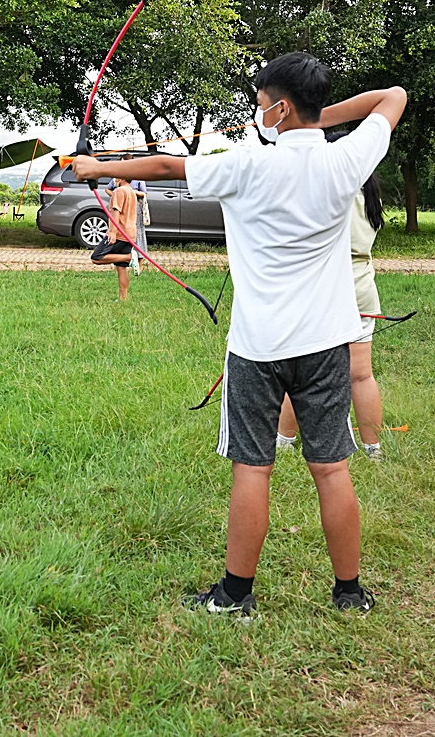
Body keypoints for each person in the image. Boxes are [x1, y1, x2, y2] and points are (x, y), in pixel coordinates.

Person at [74, 52, 406, 618]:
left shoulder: (249, 164)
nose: (257, 112)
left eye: (261, 102)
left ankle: (234, 595)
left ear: (279, 106)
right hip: (327, 343)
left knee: (253, 469)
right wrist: (317, 120)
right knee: (331, 468)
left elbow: (165, 169)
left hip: (258, 348)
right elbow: (392, 96)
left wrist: (94, 169)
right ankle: (349, 593)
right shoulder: (346, 159)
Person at [278, 163, 387, 460]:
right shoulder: (370, 194)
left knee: (297, 372)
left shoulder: (329, 193)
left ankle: (284, 442)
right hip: (362, 290)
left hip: (325, 292)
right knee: (362, 376)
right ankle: (373, 450)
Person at [88, 176, 140, 300]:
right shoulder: (131, 192)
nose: (114, 178)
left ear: (122, 177)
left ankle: (129, 257)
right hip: (130, 233)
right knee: (121, 267)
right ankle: (123, 299)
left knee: (96, 257)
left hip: (119, 234)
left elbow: (116, 211)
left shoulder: (119, 191)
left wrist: (112, 232)